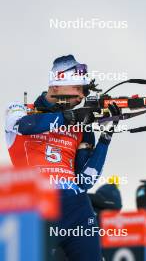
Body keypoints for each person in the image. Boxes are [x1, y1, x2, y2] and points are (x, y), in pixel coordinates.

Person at [5, 55, 120, 261]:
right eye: (77, 89)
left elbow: (85, 181)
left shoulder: (80, 126)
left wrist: (105, 137)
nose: (81, 97)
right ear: (56, 85)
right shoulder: (21, 109)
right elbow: (24, 126)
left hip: (76, 207)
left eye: (84, 92)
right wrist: (71, 117)